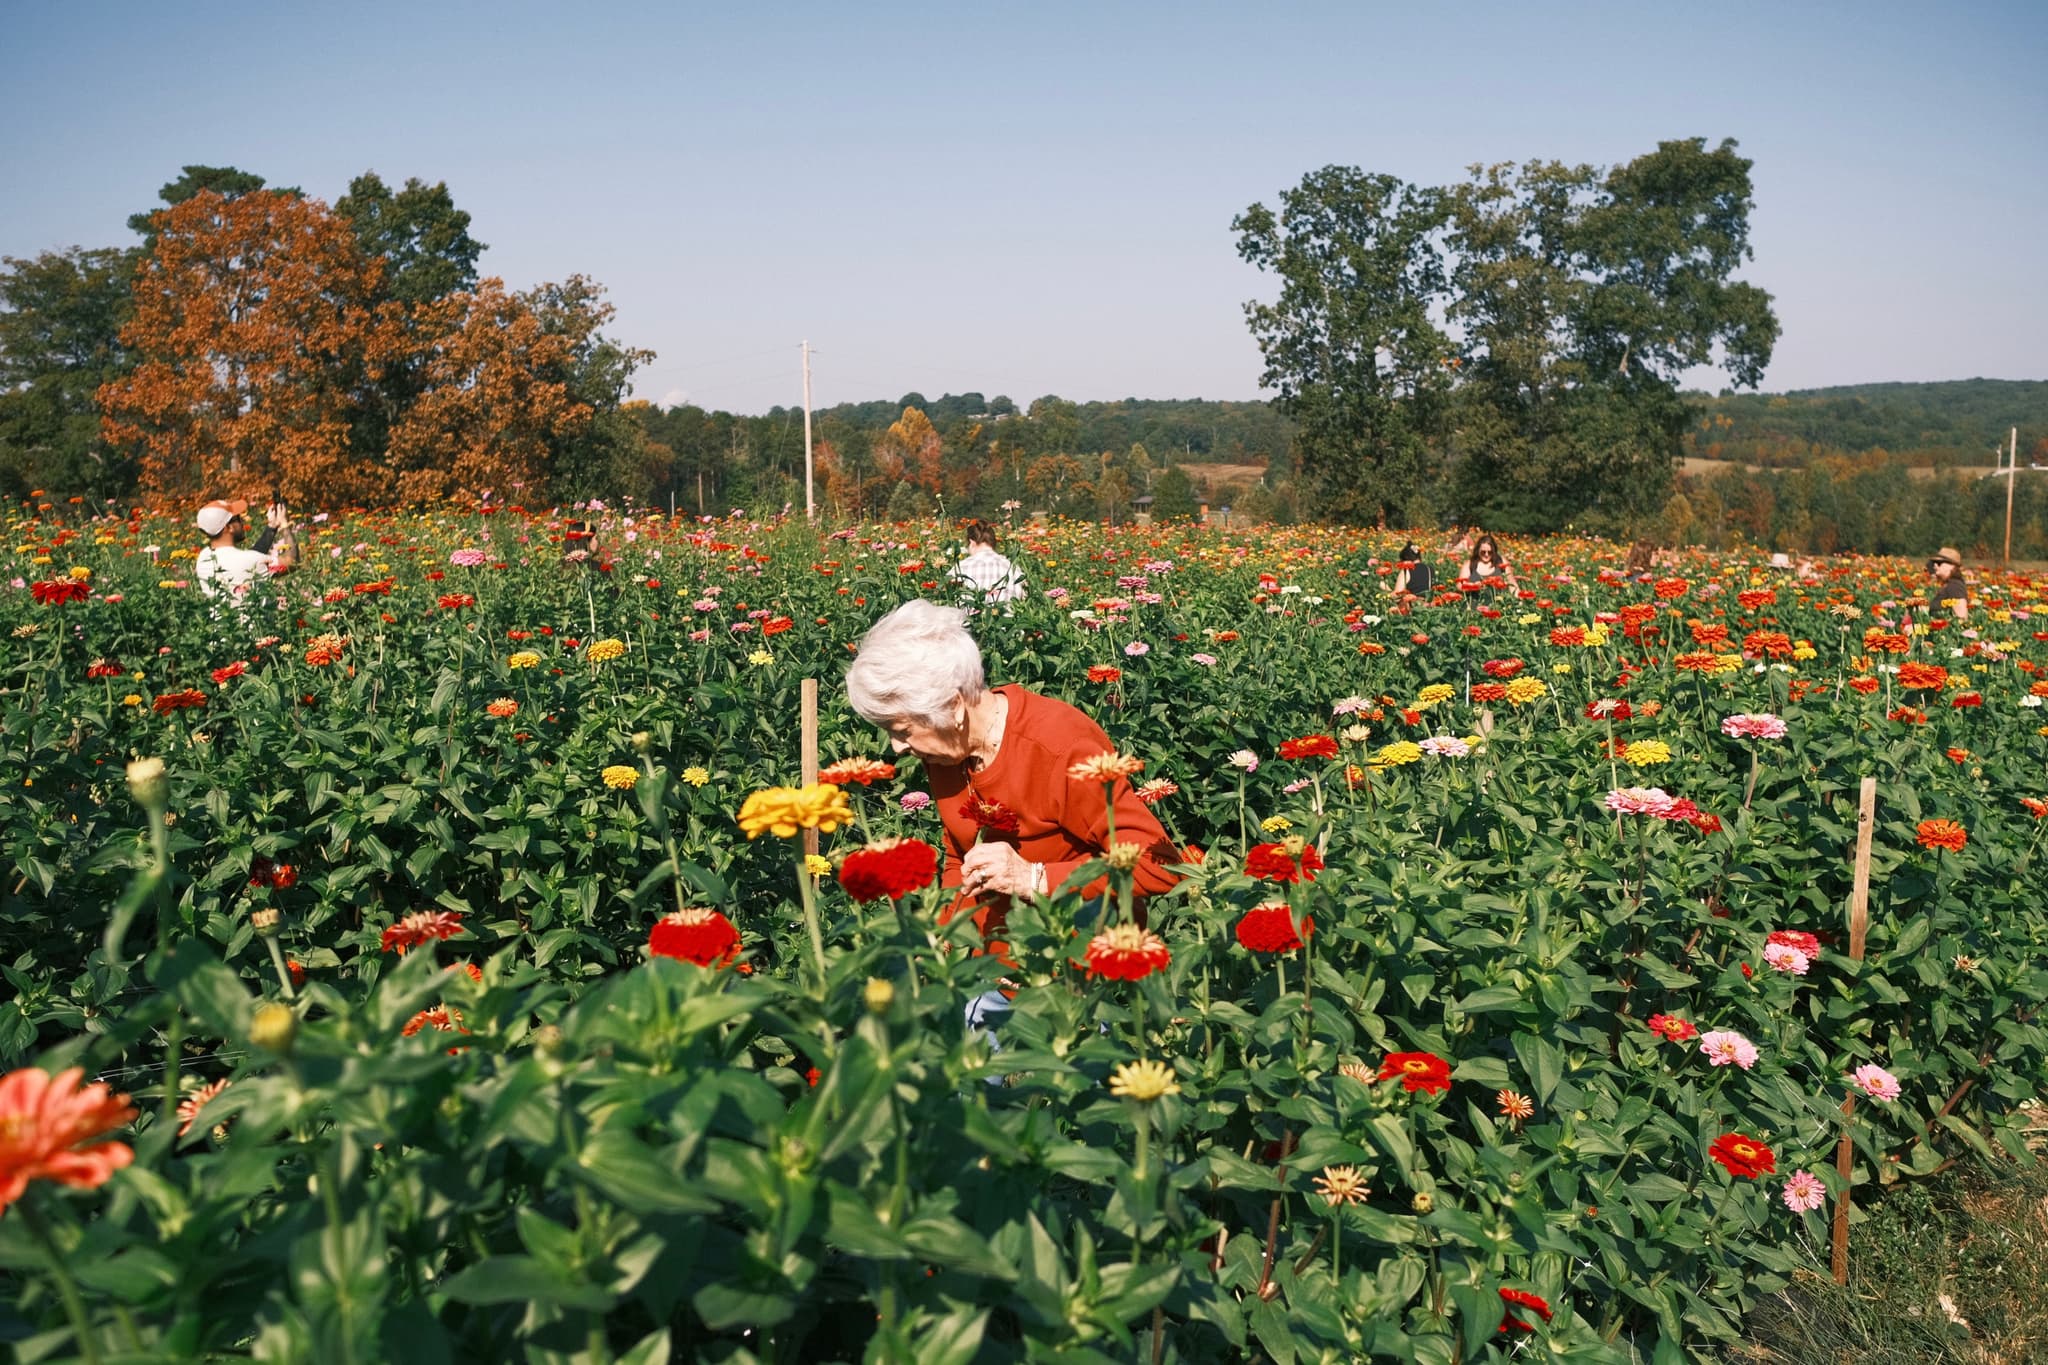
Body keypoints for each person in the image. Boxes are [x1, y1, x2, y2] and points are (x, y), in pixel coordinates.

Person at [845, 599, 1179, 923]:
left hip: (1071, 947)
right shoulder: (945, 751)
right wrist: (947, 940)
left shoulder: (1060, 746)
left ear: (954, 706)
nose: (897, 746)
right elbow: (958, 858)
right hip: (989, 960)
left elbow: (1157, 865)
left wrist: (1032, 878)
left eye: (901, 729)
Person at [194, 497, 296, 611]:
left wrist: (272, 527)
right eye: (238, 519)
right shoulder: (250, 560)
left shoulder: (204, 557)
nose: (242, 522)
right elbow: (292, 562)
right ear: (229, 527)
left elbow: (251, 557)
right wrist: (284, 524)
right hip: (255, 628)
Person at [950, 519, 1024, 603]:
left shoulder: (962, 567)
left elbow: (948, 595)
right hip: (1008, 615)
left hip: (970, 615)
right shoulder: (1012, 567)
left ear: (972, 542)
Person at [1924, 546, 1969, 621]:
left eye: (1939, 563)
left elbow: (1961, 618)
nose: (1935, 565)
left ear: (1952, 566)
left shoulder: (1955, 586)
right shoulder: (1949, 585)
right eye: (1934, 563)